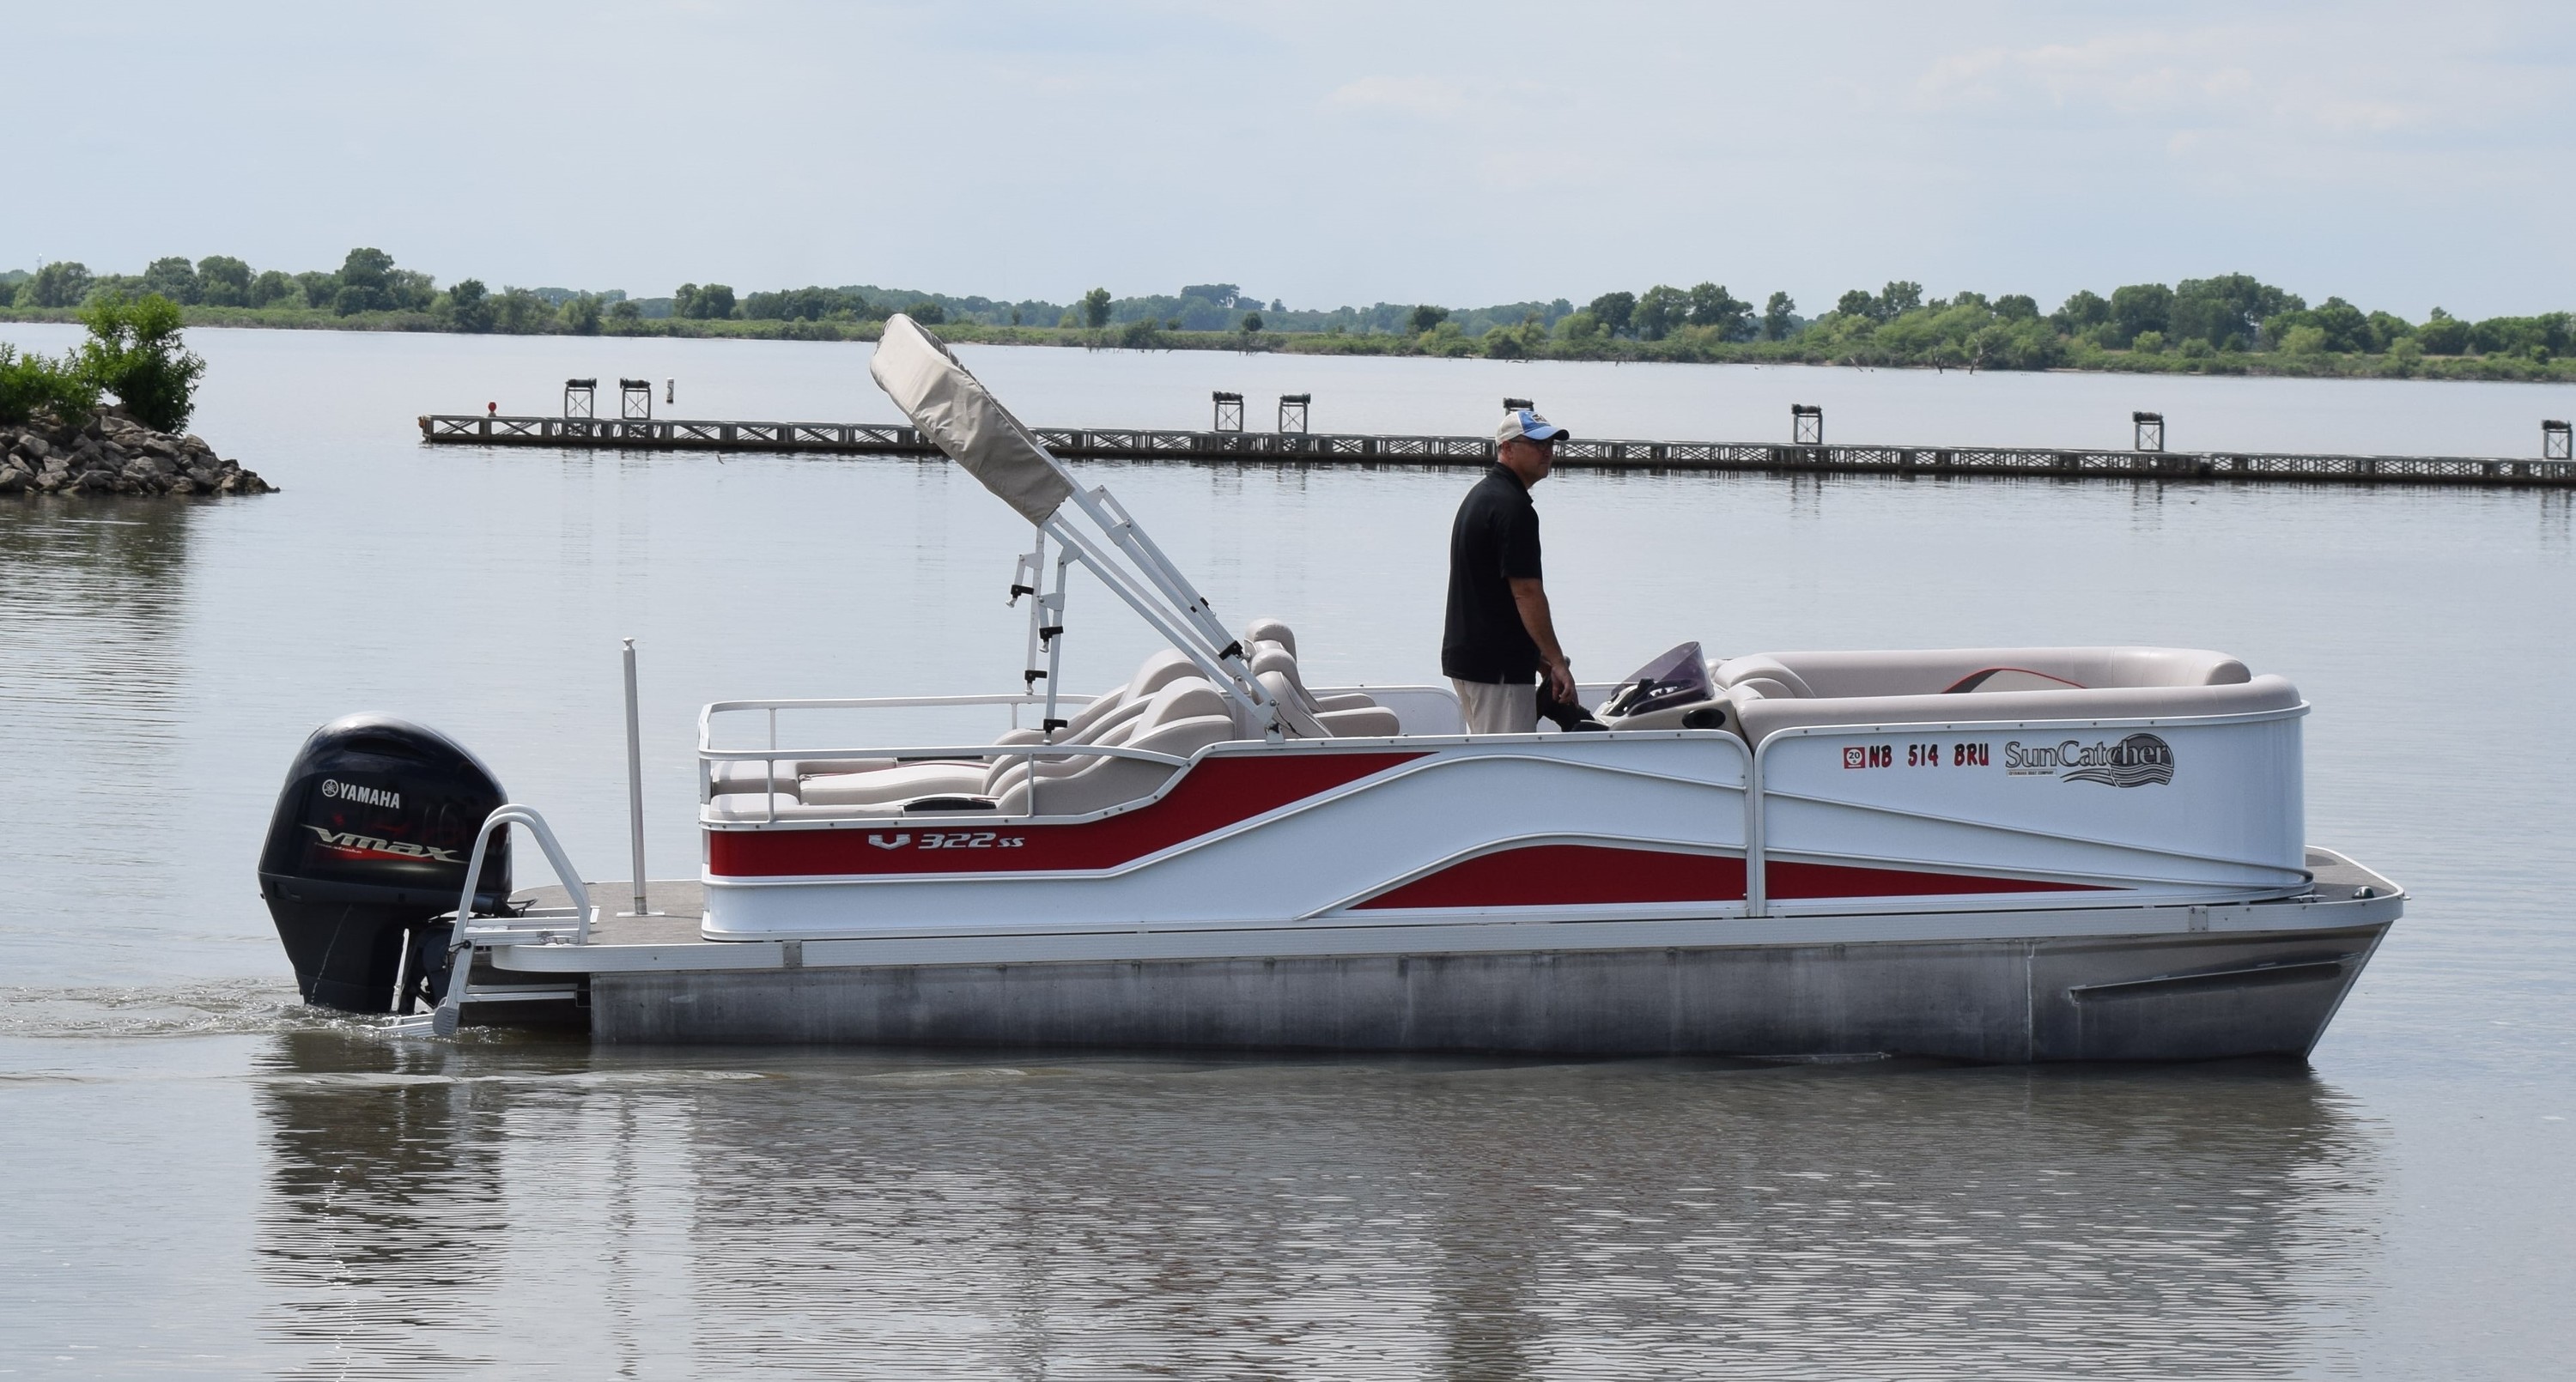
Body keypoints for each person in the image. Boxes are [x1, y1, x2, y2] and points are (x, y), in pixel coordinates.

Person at [1443, 408, 1576, 734]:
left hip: (1474, 659)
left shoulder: (1483, 496)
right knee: (1506, 765)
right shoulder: (1513, 509)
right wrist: (1557, 660)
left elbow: (1491, 591)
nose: (1547, 451)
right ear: (1507, 448)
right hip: (1497, 668)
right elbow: (1526, 592)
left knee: (1492, 761)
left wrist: (1538, 660)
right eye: (1536, 443)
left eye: (1550, 444)